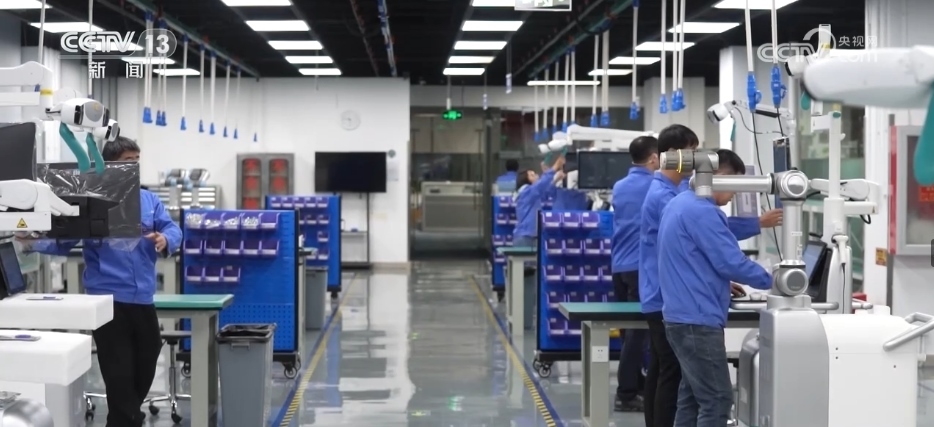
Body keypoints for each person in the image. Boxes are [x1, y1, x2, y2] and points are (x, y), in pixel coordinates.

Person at [20, 136, 182, 427]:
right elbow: (63, 240)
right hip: (106, 301)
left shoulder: (149, 200)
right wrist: (31, 243)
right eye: (127, 162)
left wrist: (166, 238)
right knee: (118, 372)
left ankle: (125, 419)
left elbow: (172, 228)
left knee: (148, 358)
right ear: (109, 166)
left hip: (143, 298)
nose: (134, 167)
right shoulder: (92, 200)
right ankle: (128, 419)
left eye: (136, 161)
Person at [639, 124, 782, 427]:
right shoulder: (702, 210)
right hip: (696, 321)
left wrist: (718, 282)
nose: (733, 195)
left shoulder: (680, 202)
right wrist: (777, 281)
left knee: (691, 397)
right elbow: (730, 261)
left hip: (681, 315)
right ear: (719, 177)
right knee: (717, 399)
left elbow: (693, 257)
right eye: (734, 186)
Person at [609, 135, 659, 412]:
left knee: (630, 333)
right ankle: (626, 394)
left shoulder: (620, 185)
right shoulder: (656, 186)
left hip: (619, 266)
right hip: (640, 268)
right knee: (638, 335)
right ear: (654, 158)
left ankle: (636, 385)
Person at [513, 155, 565, 247]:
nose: (536, 175)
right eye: (532, 175)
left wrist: (555, 179)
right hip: (525, 237)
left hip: (532, 235)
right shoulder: (526, 192)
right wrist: (554, 167)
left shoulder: (532, 195)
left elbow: (546, 193)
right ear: (525, 179)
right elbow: (540, 186)